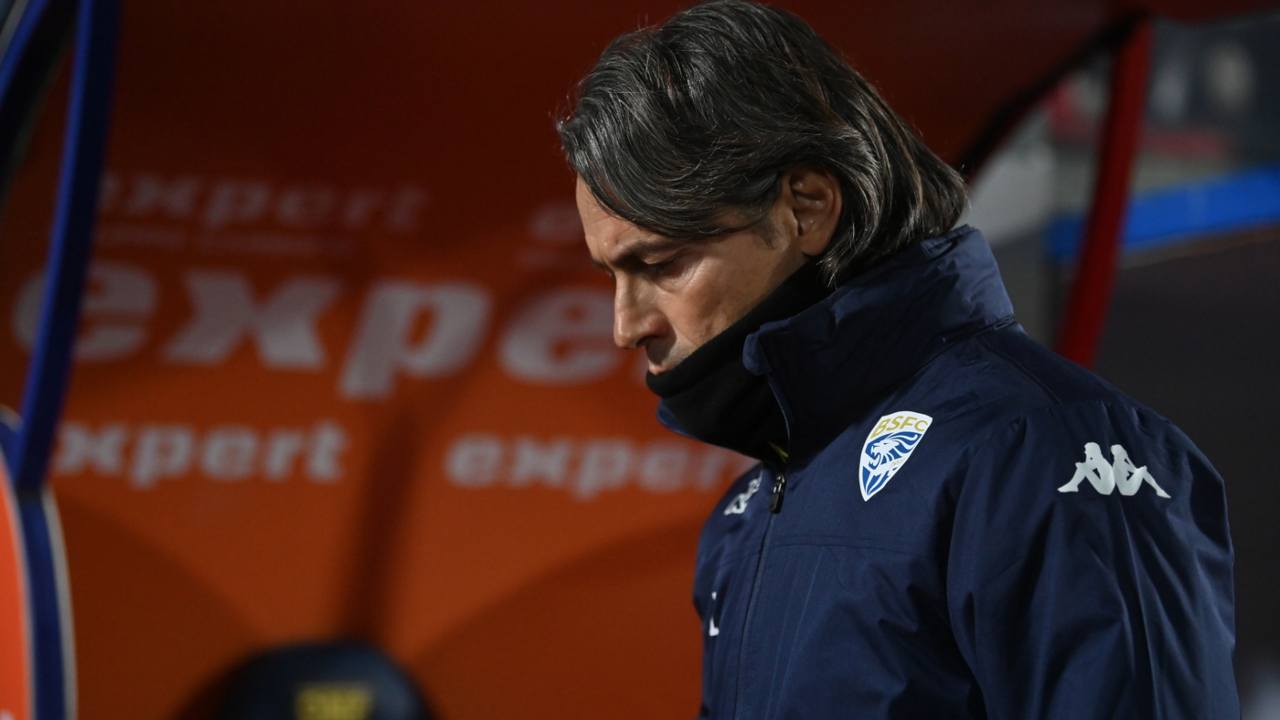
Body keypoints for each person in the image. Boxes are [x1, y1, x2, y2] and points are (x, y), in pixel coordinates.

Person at [557, 1, 1238, 717]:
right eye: (611, 277)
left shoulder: (1046, 451)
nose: (625, 327)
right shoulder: (749, 514)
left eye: (660, 264)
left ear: (807, 207)